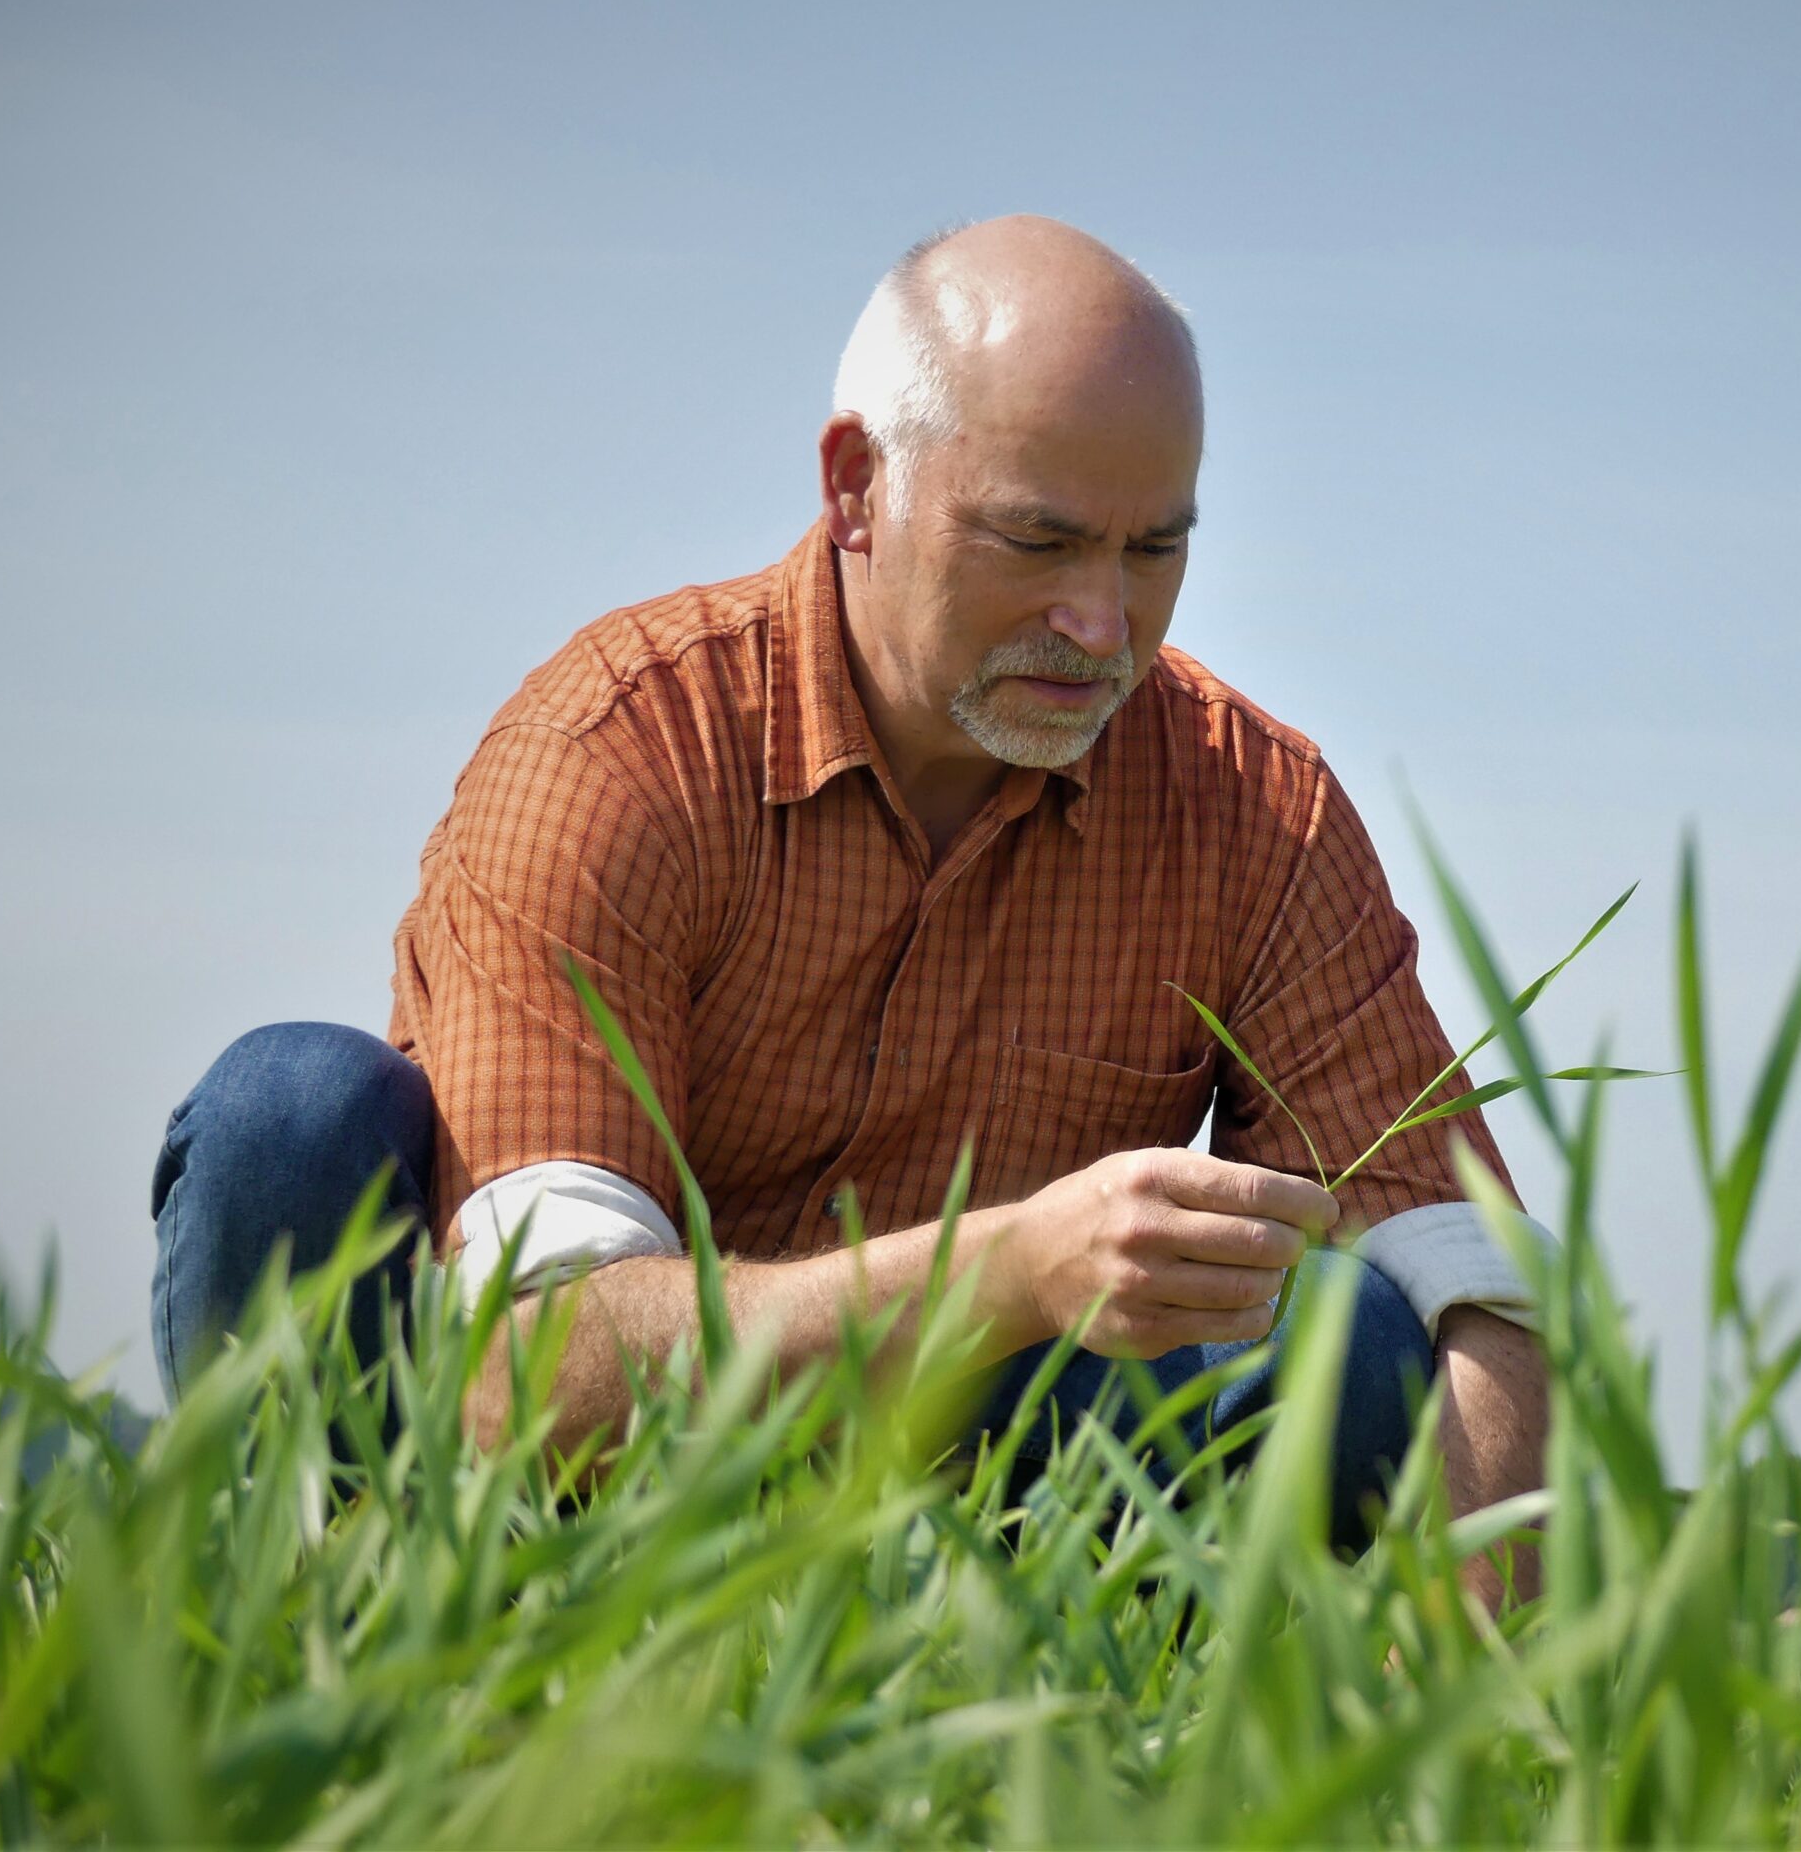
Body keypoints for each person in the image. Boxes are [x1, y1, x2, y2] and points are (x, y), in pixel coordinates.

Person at [150, 215, 1550, 1598]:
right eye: (1038, 540)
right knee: (289, 1119)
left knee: (1358, 1339)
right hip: (549, 1493)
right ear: (856, 485)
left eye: (1152, 551)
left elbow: (1476, 1281)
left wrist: (1486, 1684)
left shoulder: (1252, 806)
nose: (1103, 624)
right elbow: (524, 1378)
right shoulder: (618, 754)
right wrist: (1013, 1269)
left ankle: (1051, 1671)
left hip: (971, 1481)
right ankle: (316, 1614)